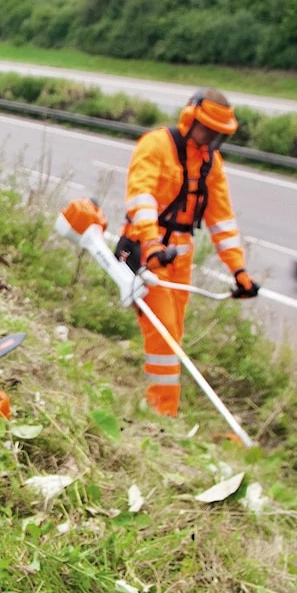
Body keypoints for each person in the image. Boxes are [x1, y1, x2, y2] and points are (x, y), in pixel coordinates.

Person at [117, 87, 259, 417]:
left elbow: (221, 220)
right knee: (163, 332)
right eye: (207, 130)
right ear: (189, 118)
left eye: (218, 134)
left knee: (174, 333)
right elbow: (141, 198)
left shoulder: (211, 163)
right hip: (145, 250)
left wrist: (239, 271)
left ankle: (161, 408)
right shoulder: (156, 145)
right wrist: (152, 243)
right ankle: (161, 413)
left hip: (179, 257)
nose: (211, 139)